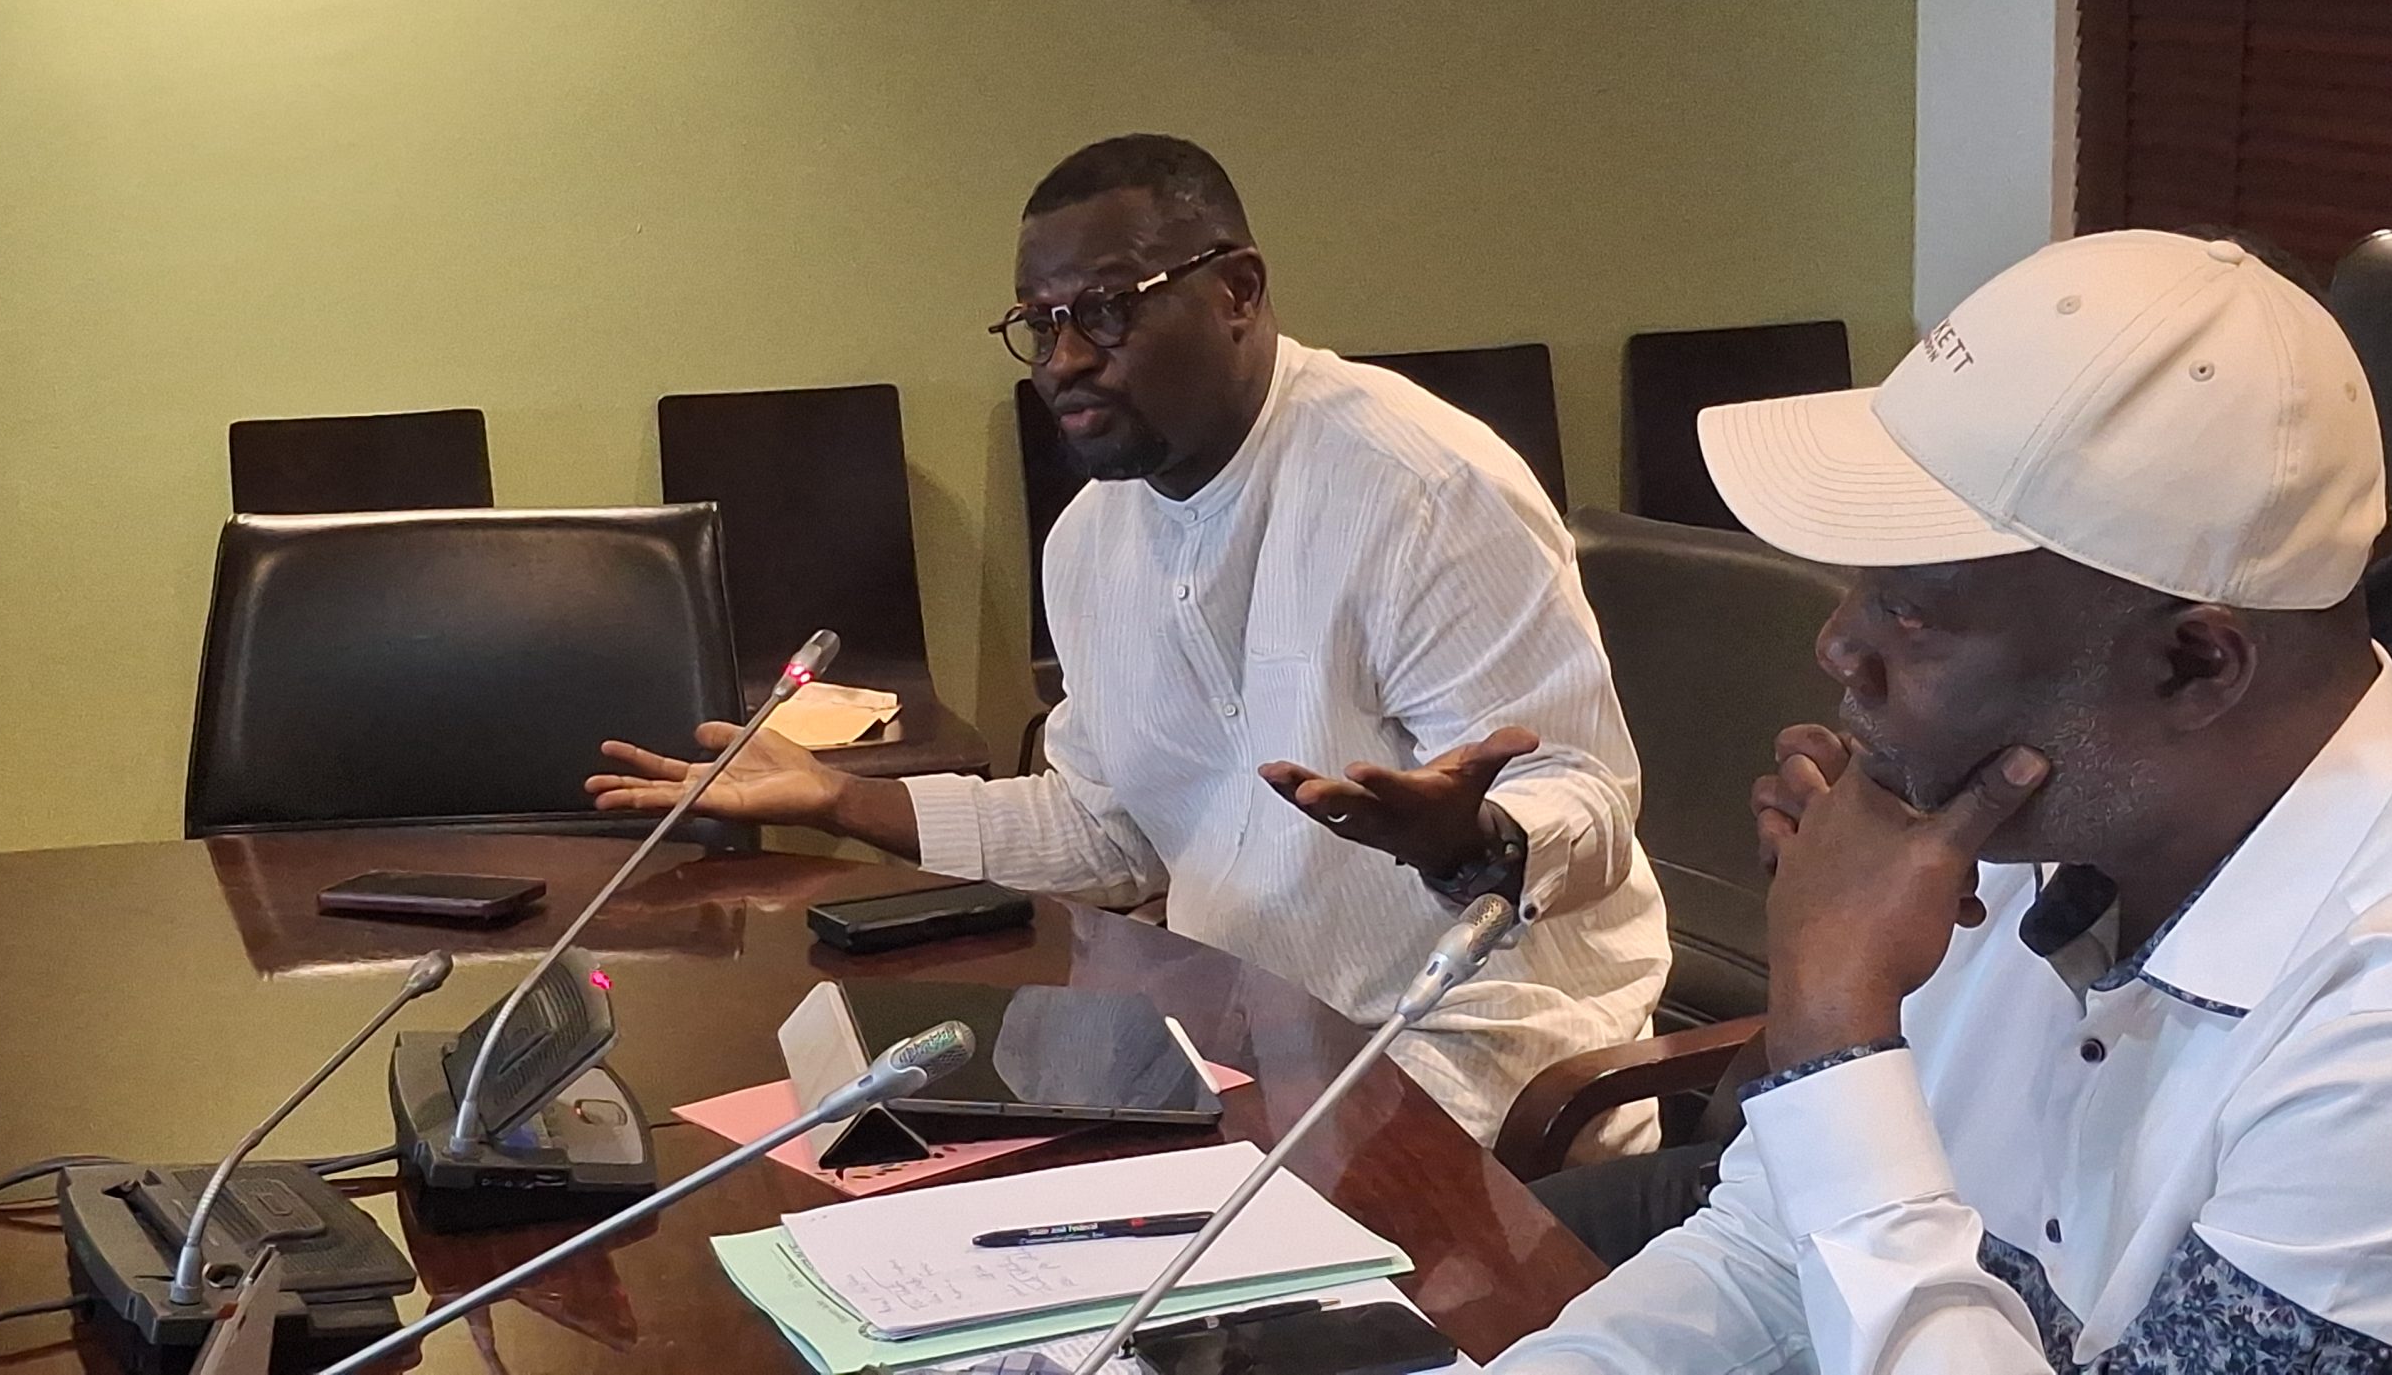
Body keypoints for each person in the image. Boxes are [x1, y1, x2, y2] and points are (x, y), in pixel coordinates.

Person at [1467, 230, 2392, 1369]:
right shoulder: (2045, 811)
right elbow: (1771, 1256)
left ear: (2194, 665)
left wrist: (1837, 1031)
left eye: (1911, 608)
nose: (1838, 644)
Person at [591, 134, 1668, 1147]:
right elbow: (1109, 827)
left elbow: (1584, 794)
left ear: (1237, 291)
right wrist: (839, 800)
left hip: (1468, 1054)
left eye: (1105, 312)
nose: (1062, 360)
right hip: (1236, 1040)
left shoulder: (1422, 487)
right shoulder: (1089, 541)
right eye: (1039, 323)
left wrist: (1471, 841)